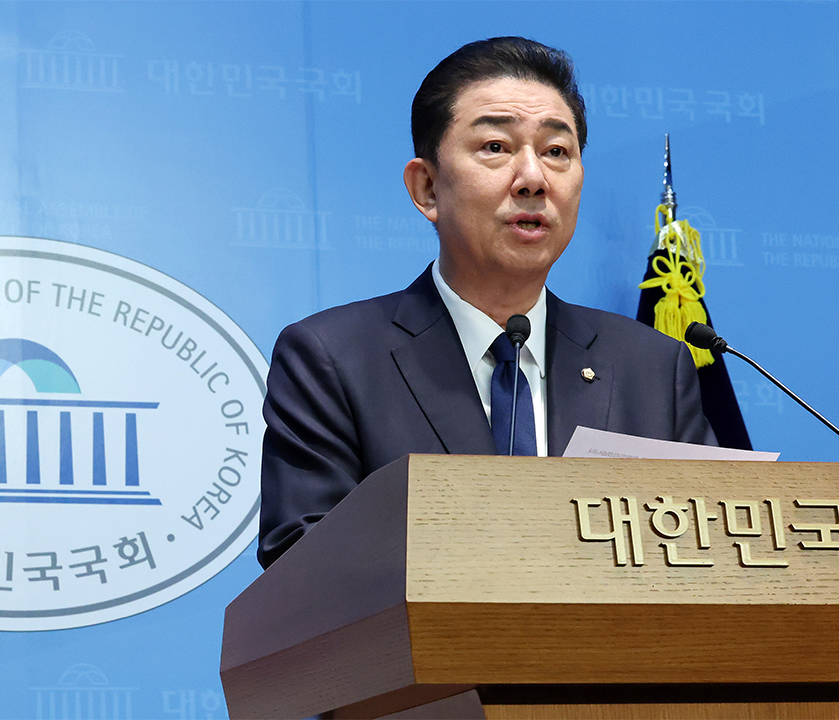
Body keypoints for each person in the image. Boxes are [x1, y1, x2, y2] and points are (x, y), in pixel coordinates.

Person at [257, 37, 715, 569]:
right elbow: (304, 564)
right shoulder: (333, 359)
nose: (533, 178)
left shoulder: (652, 367)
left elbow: (708, 552)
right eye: (496, 147)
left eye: (556, 152)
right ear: (427, 188)